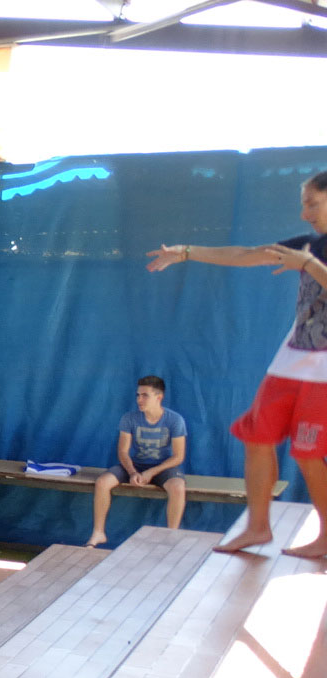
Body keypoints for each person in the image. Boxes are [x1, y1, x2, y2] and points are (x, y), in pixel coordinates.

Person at [149, 177, 327, 556]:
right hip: (292, 360)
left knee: (308, 451)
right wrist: (187, 252)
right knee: (257, 437)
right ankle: (257, 527)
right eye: (303, 204)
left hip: (323, 372)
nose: (304, 213)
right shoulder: (309, 245)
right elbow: (246, 254)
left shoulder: (309, 255)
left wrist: (309, 265)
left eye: (312, 203)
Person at [88, 375, 189, 547]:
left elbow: (178, 456)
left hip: (163, 467)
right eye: (138, 395)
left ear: (159, 397)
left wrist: (151, 472)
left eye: (145, 395)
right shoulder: (129, 418)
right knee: (102, 482)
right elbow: (122, 451)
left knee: (178, 487)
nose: (139, 400)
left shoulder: (175, 420)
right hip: (135, 465)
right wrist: (133, 472)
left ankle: (171, 537)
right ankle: (98, 533)